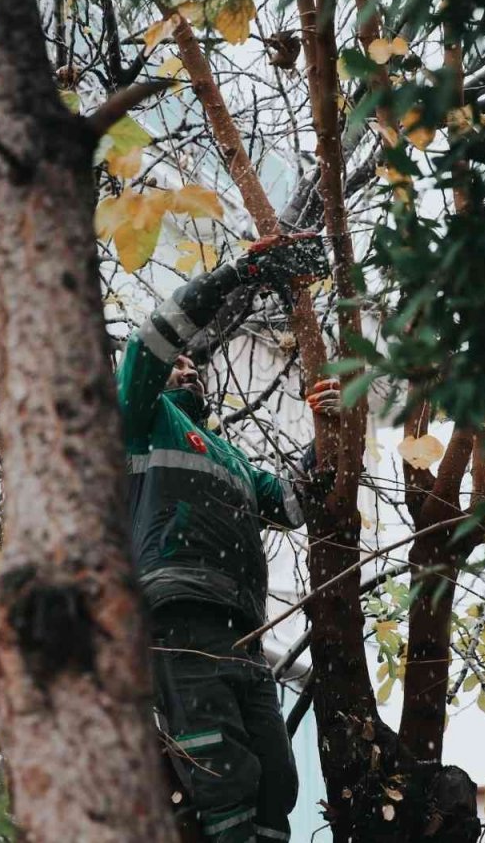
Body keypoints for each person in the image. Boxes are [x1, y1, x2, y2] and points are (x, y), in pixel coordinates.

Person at [115, 234, 338, 843]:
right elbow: (150, 340)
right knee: (223, 782)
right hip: (175, 620)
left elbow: (294, 501)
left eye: (196, 362)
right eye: (182, 359)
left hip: (242, 632)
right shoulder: (138, 420)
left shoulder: (231, 459)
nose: (190, 363)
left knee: (275, 786)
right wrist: (240, 273)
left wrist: (332, 426)